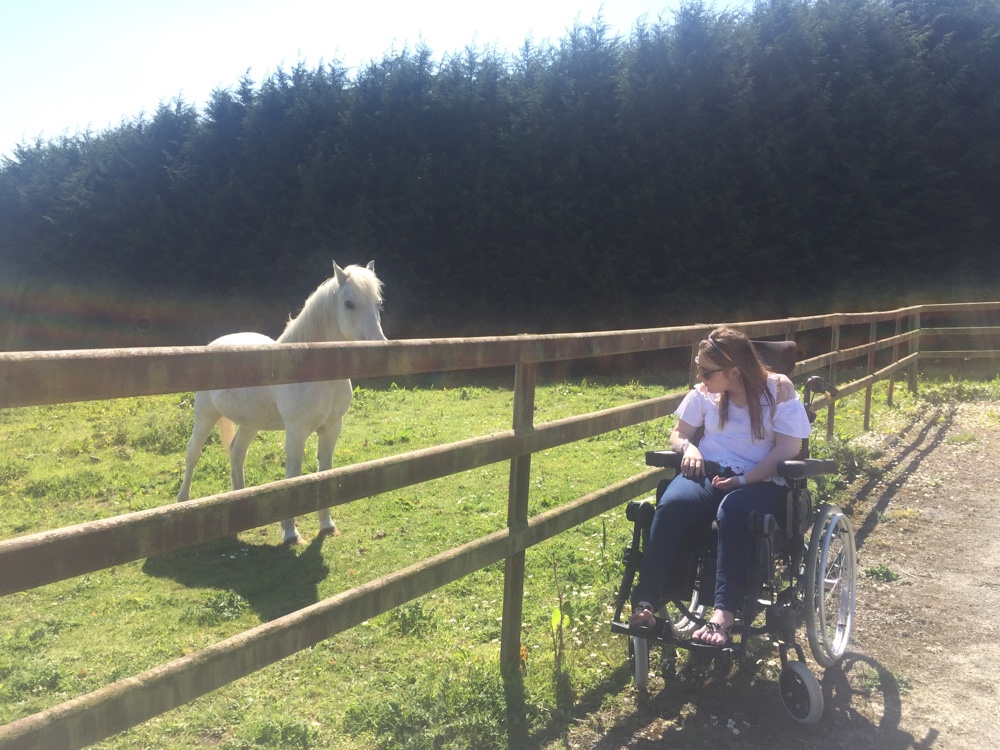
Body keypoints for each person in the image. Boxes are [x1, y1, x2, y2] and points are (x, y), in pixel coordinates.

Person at [628, 326, 812, 646]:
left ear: (735, 371)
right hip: (709, 473)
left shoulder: (777, 390)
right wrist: (690, 448)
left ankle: (723, 615)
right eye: (698, 368)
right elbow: (679, 434)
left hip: (763, 480)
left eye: (707, 371)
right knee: (672, 504)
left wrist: (744, 479)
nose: (700, 377)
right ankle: (646, 602)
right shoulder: (705, 393)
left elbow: (788, 448)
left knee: (734, 509)